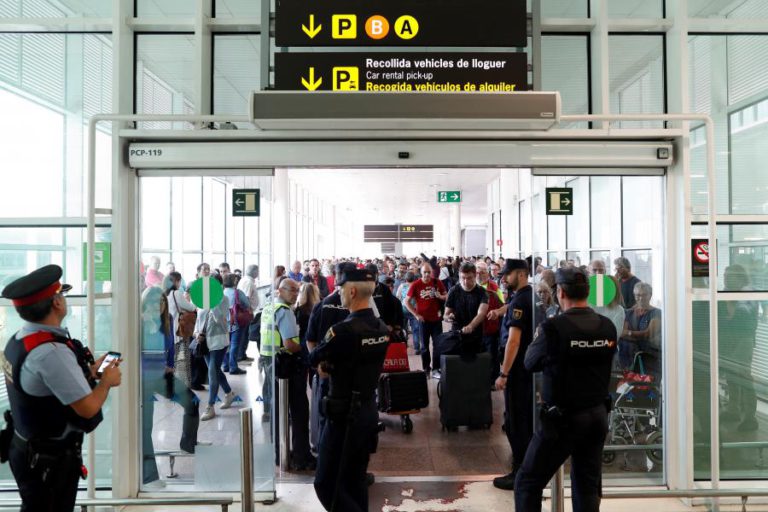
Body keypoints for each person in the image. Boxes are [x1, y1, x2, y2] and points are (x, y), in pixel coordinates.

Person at [0, 265, 122, 511]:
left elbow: (46, 386)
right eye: (62, 294)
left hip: (25, 448)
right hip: (48, 462)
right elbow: (87, 409)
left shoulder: (20, 339)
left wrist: (89, 373)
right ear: (56, 303)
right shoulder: (50, 353)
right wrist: (107, 381)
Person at [514, 267, 617, 512]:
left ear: (560, 292)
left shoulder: (553, 328)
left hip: (562, 422)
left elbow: (530, 362)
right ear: (588, 293)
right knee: (587, 486)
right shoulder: (607, 326)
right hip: (597, 417)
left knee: (528, 481)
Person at [309, 268, 390, 511]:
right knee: (355, 480)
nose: (339, 293)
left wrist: (328, 366)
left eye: (341, 289)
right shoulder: (382, 329)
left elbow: (314, 357)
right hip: (367, 412)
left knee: (326, 484)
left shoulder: (342, 331)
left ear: (352, 291)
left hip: (342, 417)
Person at [493, 259, 536, 491]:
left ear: (520, 274)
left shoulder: (520, 299)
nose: (503, 278)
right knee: (523, 422)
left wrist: (504, 373)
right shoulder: (528, 296)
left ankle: (519, 474)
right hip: (528, 370)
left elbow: (514, 340)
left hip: (518, 371)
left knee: (516, 424)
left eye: (507, 275)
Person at [405, 263, 447, 378]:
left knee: (438, 345)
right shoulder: (416, 284)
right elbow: (406, 301)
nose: (427, 274)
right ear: (421, 272)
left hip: (436, 319)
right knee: (424, 346)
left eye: (429, 272)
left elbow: (446, 296)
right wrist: (416, 314)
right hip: (423, 320)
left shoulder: (437, 282)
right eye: (425, 272)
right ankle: (426, 369)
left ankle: (436, 369)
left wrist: (440, 296)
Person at [444, 261, 489, 355]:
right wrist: (449, 317)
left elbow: (481, 313)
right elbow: (446, 314)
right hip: (457, 334)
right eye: (462, 278)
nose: (465, 281)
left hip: (476, 335)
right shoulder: (453, 291)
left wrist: (470, 326)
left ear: (475, 275)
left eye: (469, 278)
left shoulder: (482, 292)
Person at [619, 282, 661, 375]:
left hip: (649, 358)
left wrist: (629, 333)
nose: (641, 298)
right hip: (628, 357)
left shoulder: (656, 313)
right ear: (634, 296)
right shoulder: (628, 312)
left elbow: (648, 334)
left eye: (644, 295)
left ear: (650, 295)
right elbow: (622, 333)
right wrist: (638, 335)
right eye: (638, 295)